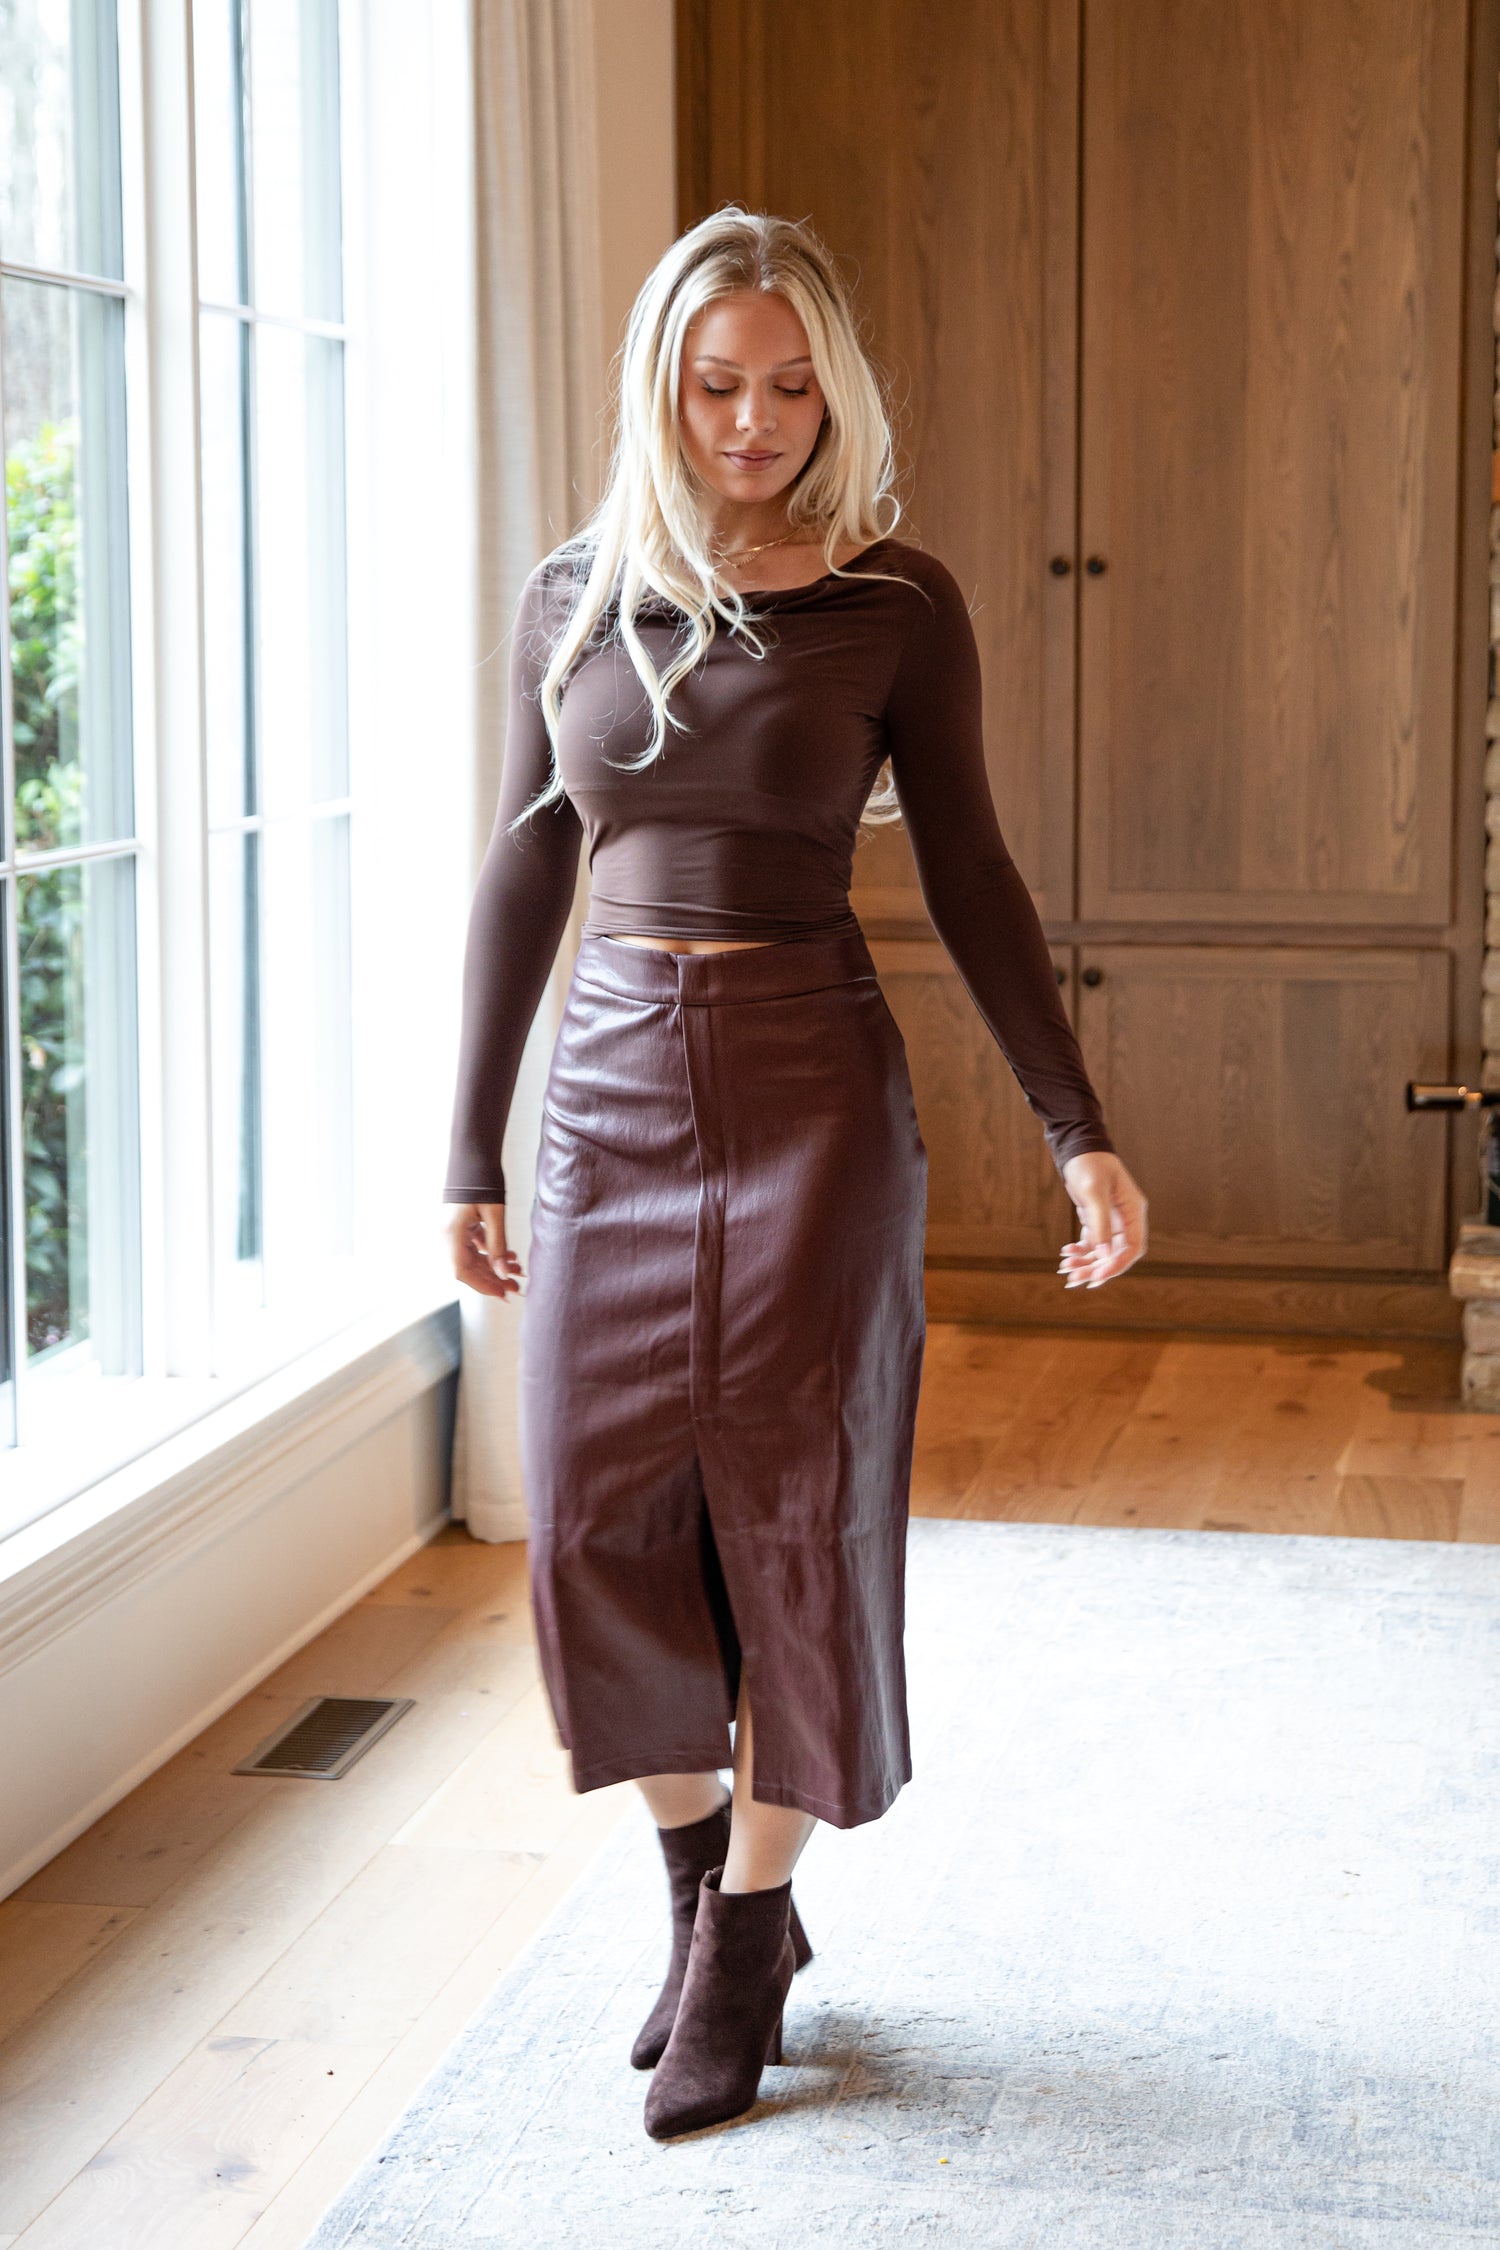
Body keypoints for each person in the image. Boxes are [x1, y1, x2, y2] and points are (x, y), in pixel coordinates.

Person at [442, 206, 1148, 2141]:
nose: (753, 422)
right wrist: (467, 1140)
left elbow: (973, 870)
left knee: (796, 1512)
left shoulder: (893, 602)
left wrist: (1076, 1125)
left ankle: (748, 1936)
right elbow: (525, 861)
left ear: (833, 394)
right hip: (604, 1097)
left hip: (811, 1090)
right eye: (715, 385)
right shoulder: (573, 594)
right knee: (593, 1523)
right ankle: (697, 1882)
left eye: (788, 386)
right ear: (659, 389)